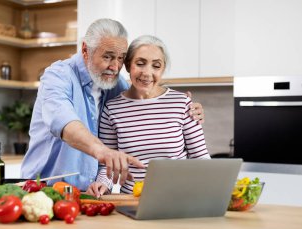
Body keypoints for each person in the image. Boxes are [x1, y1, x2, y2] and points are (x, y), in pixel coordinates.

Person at [21, 19, 205, 191]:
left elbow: (144, 93)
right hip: (44, 188)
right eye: (108, 57)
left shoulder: (115, 85)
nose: (115, 67)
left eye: (120, 58)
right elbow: (62, 120)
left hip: (89, 195)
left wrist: (180, 102)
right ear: (85, 50)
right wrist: (103, 152)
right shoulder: (58, 76)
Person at [87, 35, 210, 196]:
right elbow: (107, 166)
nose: (147, 73)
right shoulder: (112, 109)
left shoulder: (182, 103)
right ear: (128, 65)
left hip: (178, 198)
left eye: (156, 66)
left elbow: (200, 158)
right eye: (140, 63)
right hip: (132, 202)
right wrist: (102, 184)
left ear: (163, 69)